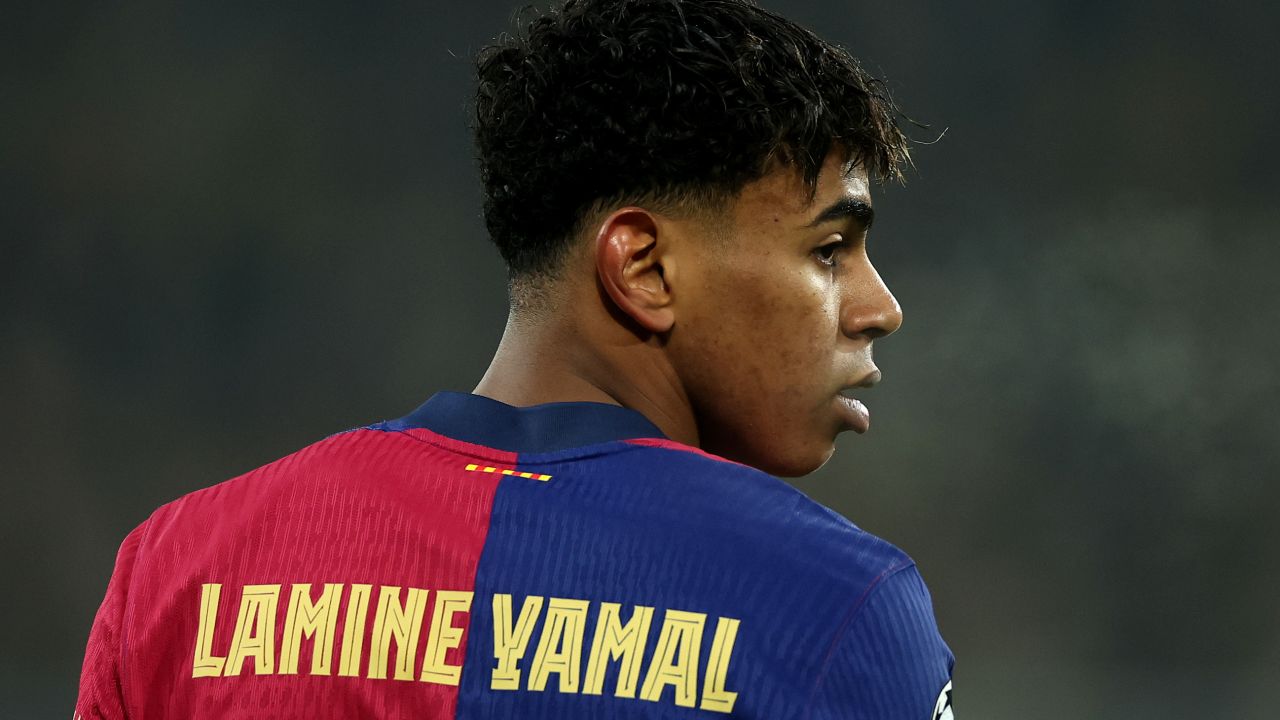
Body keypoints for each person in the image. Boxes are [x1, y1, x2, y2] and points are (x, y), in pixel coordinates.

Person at [75, 0, 954, 718]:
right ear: (643, 268)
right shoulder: (837, 611)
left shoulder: (179, 574)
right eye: (830, 249)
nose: (881, 308)